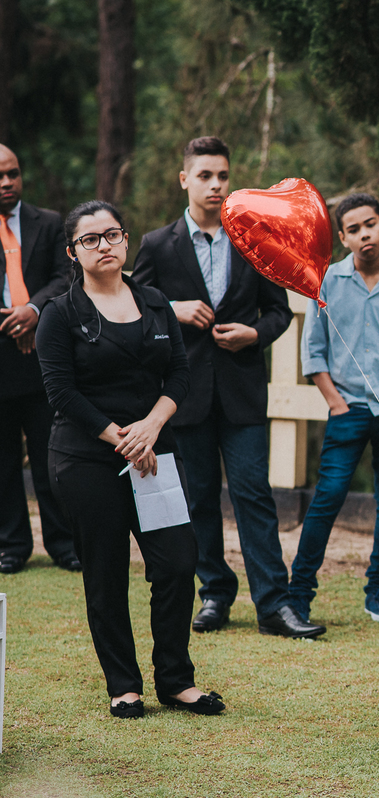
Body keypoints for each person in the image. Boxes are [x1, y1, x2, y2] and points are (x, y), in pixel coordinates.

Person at [37, 200, 224, 718]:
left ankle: (175, 680)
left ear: (126, 240)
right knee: (106, 571)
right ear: (73, 252)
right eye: (91, 239)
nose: (105, 246)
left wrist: (151, 426)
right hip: (86, 459)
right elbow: (60, 392)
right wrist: (120, 436)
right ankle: (124, 685)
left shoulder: (156, 301)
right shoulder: (60, 313)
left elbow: (179, 376)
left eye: (113, 235)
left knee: (178, 561)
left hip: (153, 452)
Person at [130, 137, 320, 639]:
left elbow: (279, 310)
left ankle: (274, 605)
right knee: (198, 499)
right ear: (184, 179)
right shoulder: (156, 244)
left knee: (255, 494)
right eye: (206, 175)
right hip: (182, 392)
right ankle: (214, 592)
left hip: (242, 391)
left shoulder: (252, 237)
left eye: (223, 176)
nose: (216, 185)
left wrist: (254, 333)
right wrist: (174, 309)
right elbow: (133, 303)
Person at [290, 193, 379, 623]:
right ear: (343, 237)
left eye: (369, 224)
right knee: (328, 496)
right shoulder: (327, 282)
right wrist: (334, 402)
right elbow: (313, 352)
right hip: (347, 408)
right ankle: (298, 594)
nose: (363, 234)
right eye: (353, 229)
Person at [0, 143, 80, 574]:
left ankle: (64, 543)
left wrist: (32, 311)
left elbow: (65, 277)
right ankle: (11, 545)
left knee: (53, 454)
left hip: (44, 360)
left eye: (13, 173)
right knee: (3, 460)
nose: (7, 183)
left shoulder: (48, 224)